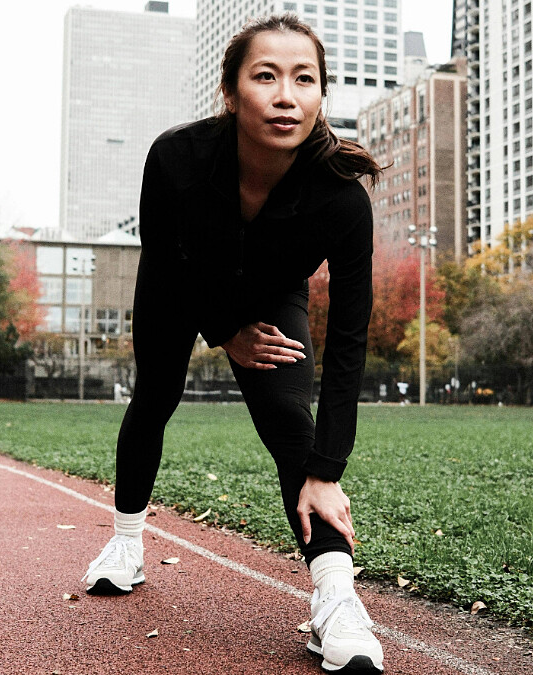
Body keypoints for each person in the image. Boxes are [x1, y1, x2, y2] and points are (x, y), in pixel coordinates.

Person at [79, 15, 384, 674]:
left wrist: (327, 468)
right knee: (155, 395)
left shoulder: (340, 199)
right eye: (265, 76)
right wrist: (224, 333)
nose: (286, 96)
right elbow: (165, 257)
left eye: (304, 79)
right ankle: (126, 542)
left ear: (321, 94)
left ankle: (335, 596)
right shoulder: (176, 158)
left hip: (272, 296)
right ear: (229, 91)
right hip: (180, 281)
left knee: (287, 417)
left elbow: (349, 342)